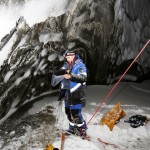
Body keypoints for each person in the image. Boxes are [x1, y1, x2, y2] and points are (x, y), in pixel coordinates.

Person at [53, 49, 87, 138]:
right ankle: (71, 128)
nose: (67, 59)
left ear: (73, 56)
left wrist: (71, 76)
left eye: (68, 57)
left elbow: (83, 77)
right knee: (68, 112)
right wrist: (60, 72)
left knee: (76, 113)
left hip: (76, 93)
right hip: (67, 92)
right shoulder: (67, 65)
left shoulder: (80, 65)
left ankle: (82, 130)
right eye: (66, 58)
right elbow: (59, 72)